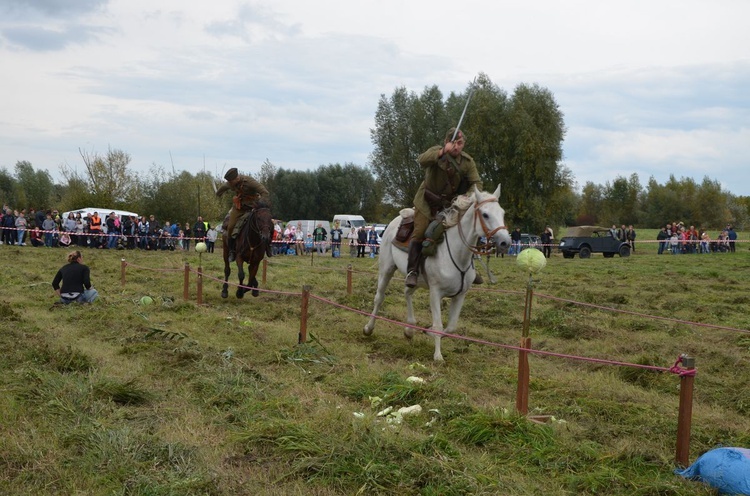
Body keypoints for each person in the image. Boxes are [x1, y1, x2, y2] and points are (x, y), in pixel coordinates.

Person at [406, 127, 482, 288]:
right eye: (453, 143)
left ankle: (469, 268)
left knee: (468, 231)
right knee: (420, 232)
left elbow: (477, 183)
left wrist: (468, 197)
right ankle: (412, 271)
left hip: (450, 205)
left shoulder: (468, 162)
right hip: (427, 201)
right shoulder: (436, 152)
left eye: (460, 143)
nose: (457, 146)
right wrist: (441, 152)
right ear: (446, 142)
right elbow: (422, 160)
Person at [215, 168, 270, 261]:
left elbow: (265, 192)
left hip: (254, 207)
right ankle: (232, 251)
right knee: (230, 226)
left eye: (231, 181)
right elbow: (223, 187)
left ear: (236, 178)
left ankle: (269, 247)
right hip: (239, 208)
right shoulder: (231, 183)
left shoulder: (250, 182)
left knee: (266, 224)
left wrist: (260, 204)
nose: (230, 183)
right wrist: (218, 194)